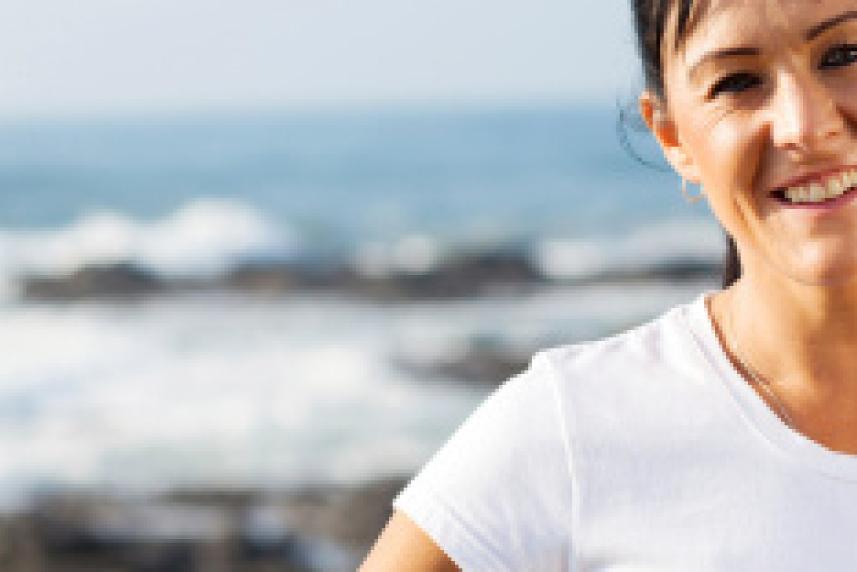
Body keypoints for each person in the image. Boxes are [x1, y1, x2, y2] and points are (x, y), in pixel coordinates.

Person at [362, 0, 857, 568]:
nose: (805, 126)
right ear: (673, 140)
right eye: (737, 81)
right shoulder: (573, 428)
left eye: (846, 54)